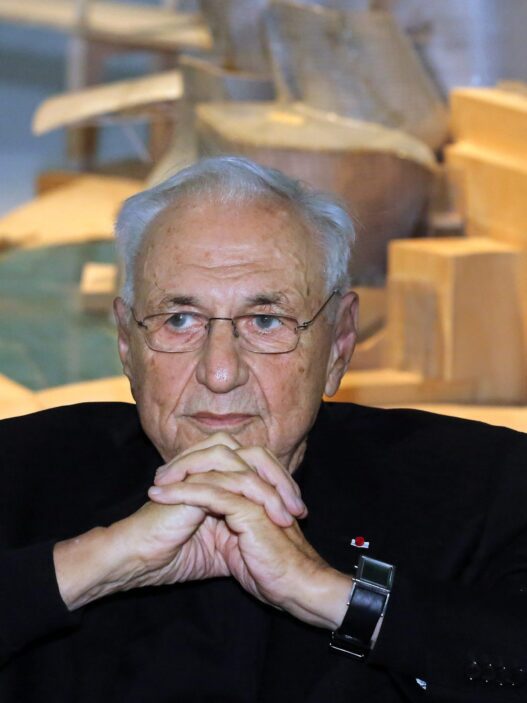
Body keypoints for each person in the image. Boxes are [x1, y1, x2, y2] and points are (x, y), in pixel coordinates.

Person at [1, 156, 526, 702]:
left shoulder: (487, 488)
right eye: (179, 319)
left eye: (266, 321)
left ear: (339, 344)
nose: (219, 372)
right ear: (126, 344)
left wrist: (336, 596)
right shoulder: (17, 472)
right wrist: (92, 564)